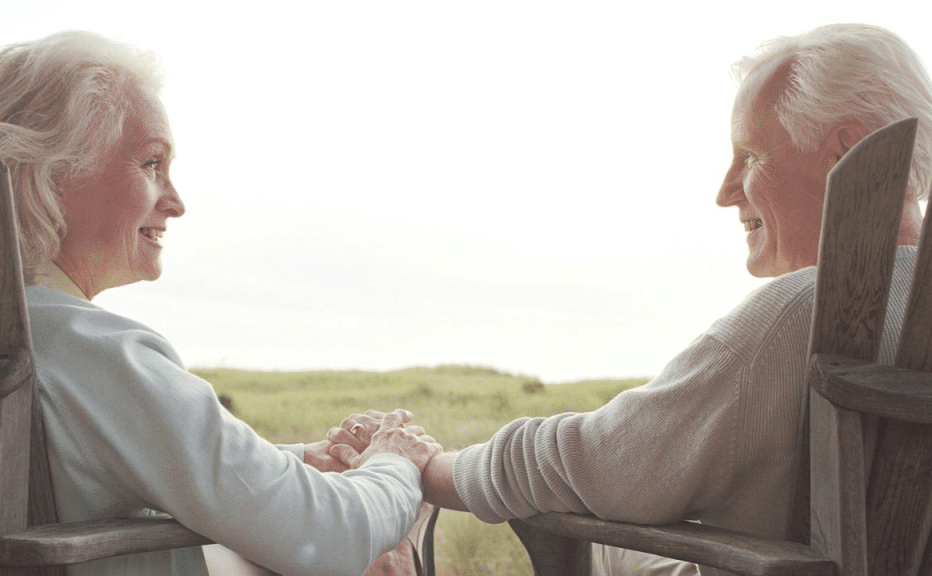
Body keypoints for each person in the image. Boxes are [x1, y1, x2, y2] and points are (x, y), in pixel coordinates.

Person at [330, 23, 932, 576]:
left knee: (587, 526)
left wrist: (414, 465)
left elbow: (594, 463)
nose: (725, 192)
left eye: (750, 156)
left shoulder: (797, 314)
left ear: (844, 155)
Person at [0, 31, 442, 576]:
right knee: (383, 557)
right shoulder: (89, 351)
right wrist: (394, 461)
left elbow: (102, 458)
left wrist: (297, 461)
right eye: (151, 164)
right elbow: (331, 536)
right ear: (51, 175)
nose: (177, 202)